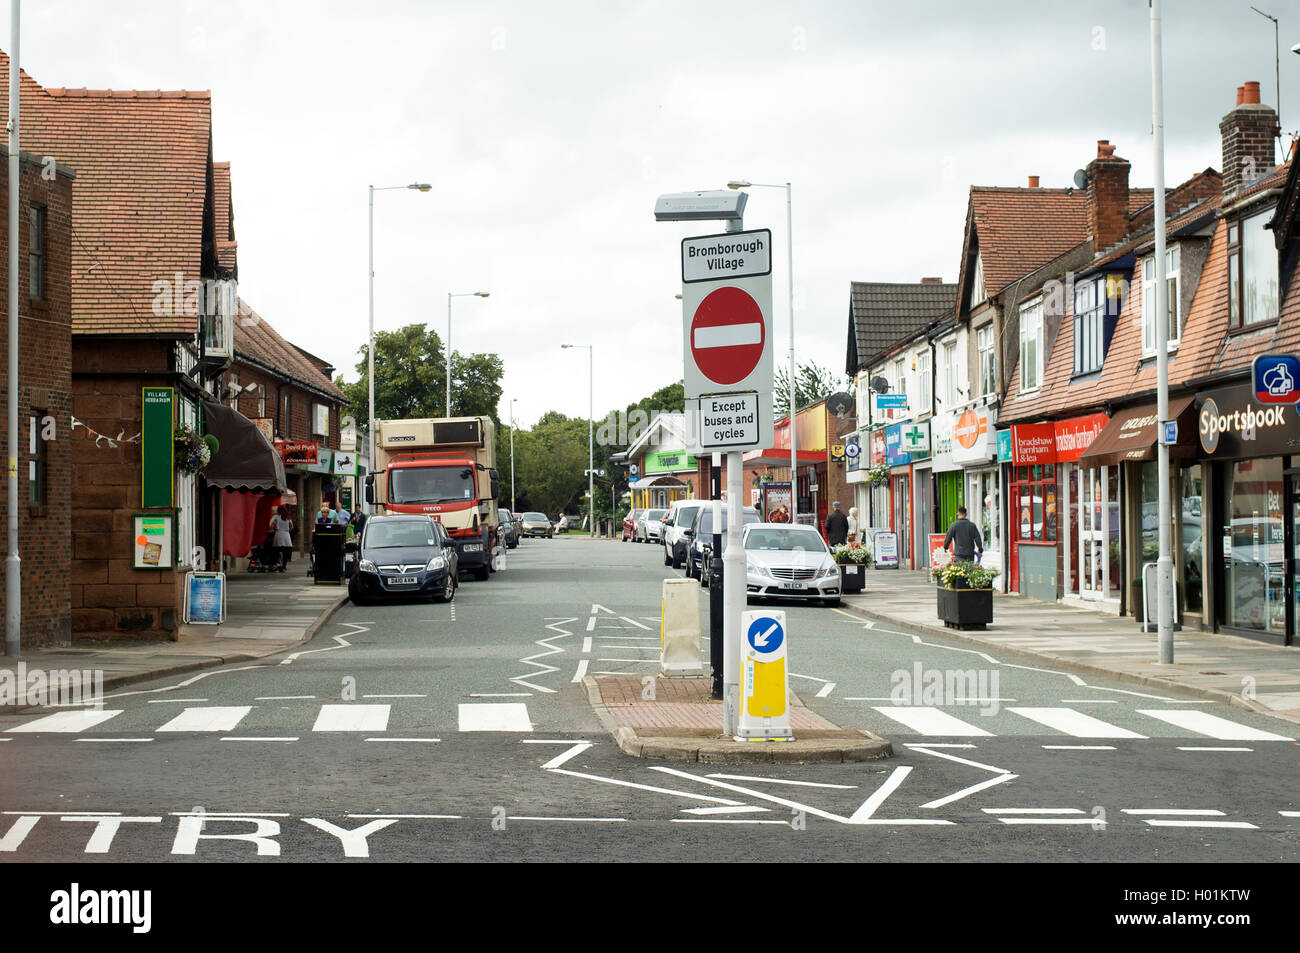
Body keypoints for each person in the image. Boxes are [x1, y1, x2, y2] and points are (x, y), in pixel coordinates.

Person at [270, 505, 294, 572]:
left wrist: (274, 526)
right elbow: (292, 527)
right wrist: (287, 529)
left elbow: (270, 524)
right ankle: (284, 566)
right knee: (285, 552)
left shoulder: (276, 516)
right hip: (286, 535)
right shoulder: (288, 517)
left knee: (276, 551)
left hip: (278, 534)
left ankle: (276, 564)